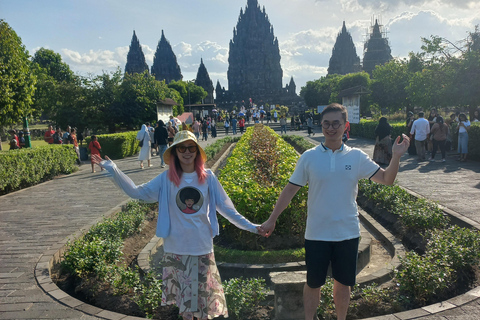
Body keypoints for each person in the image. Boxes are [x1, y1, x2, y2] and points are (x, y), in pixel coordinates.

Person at [91, 130, 264, 320]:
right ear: (175, 152)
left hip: (201, 247)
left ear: (197, 151)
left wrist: (253, 227)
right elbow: (137, 192)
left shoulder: (208, 178)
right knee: (186, 306)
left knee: (201, 304)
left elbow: (227, 209)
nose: (187, 152)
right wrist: (113, 169)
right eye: (182, 148)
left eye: (191, 147)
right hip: (176, 249)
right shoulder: (166, 179)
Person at [260, 103, 410, 320]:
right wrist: (272, 219)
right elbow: (290, 189)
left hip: (347, 232)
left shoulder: (356, 157)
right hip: (316, 233)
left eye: (336, 124)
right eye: (327, 124)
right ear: (321, 125)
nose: (331, 128)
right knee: (313, 283)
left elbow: (387, 179)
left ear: (345, 125)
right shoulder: (309, 157)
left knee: (343, 282)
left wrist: (396, 156)